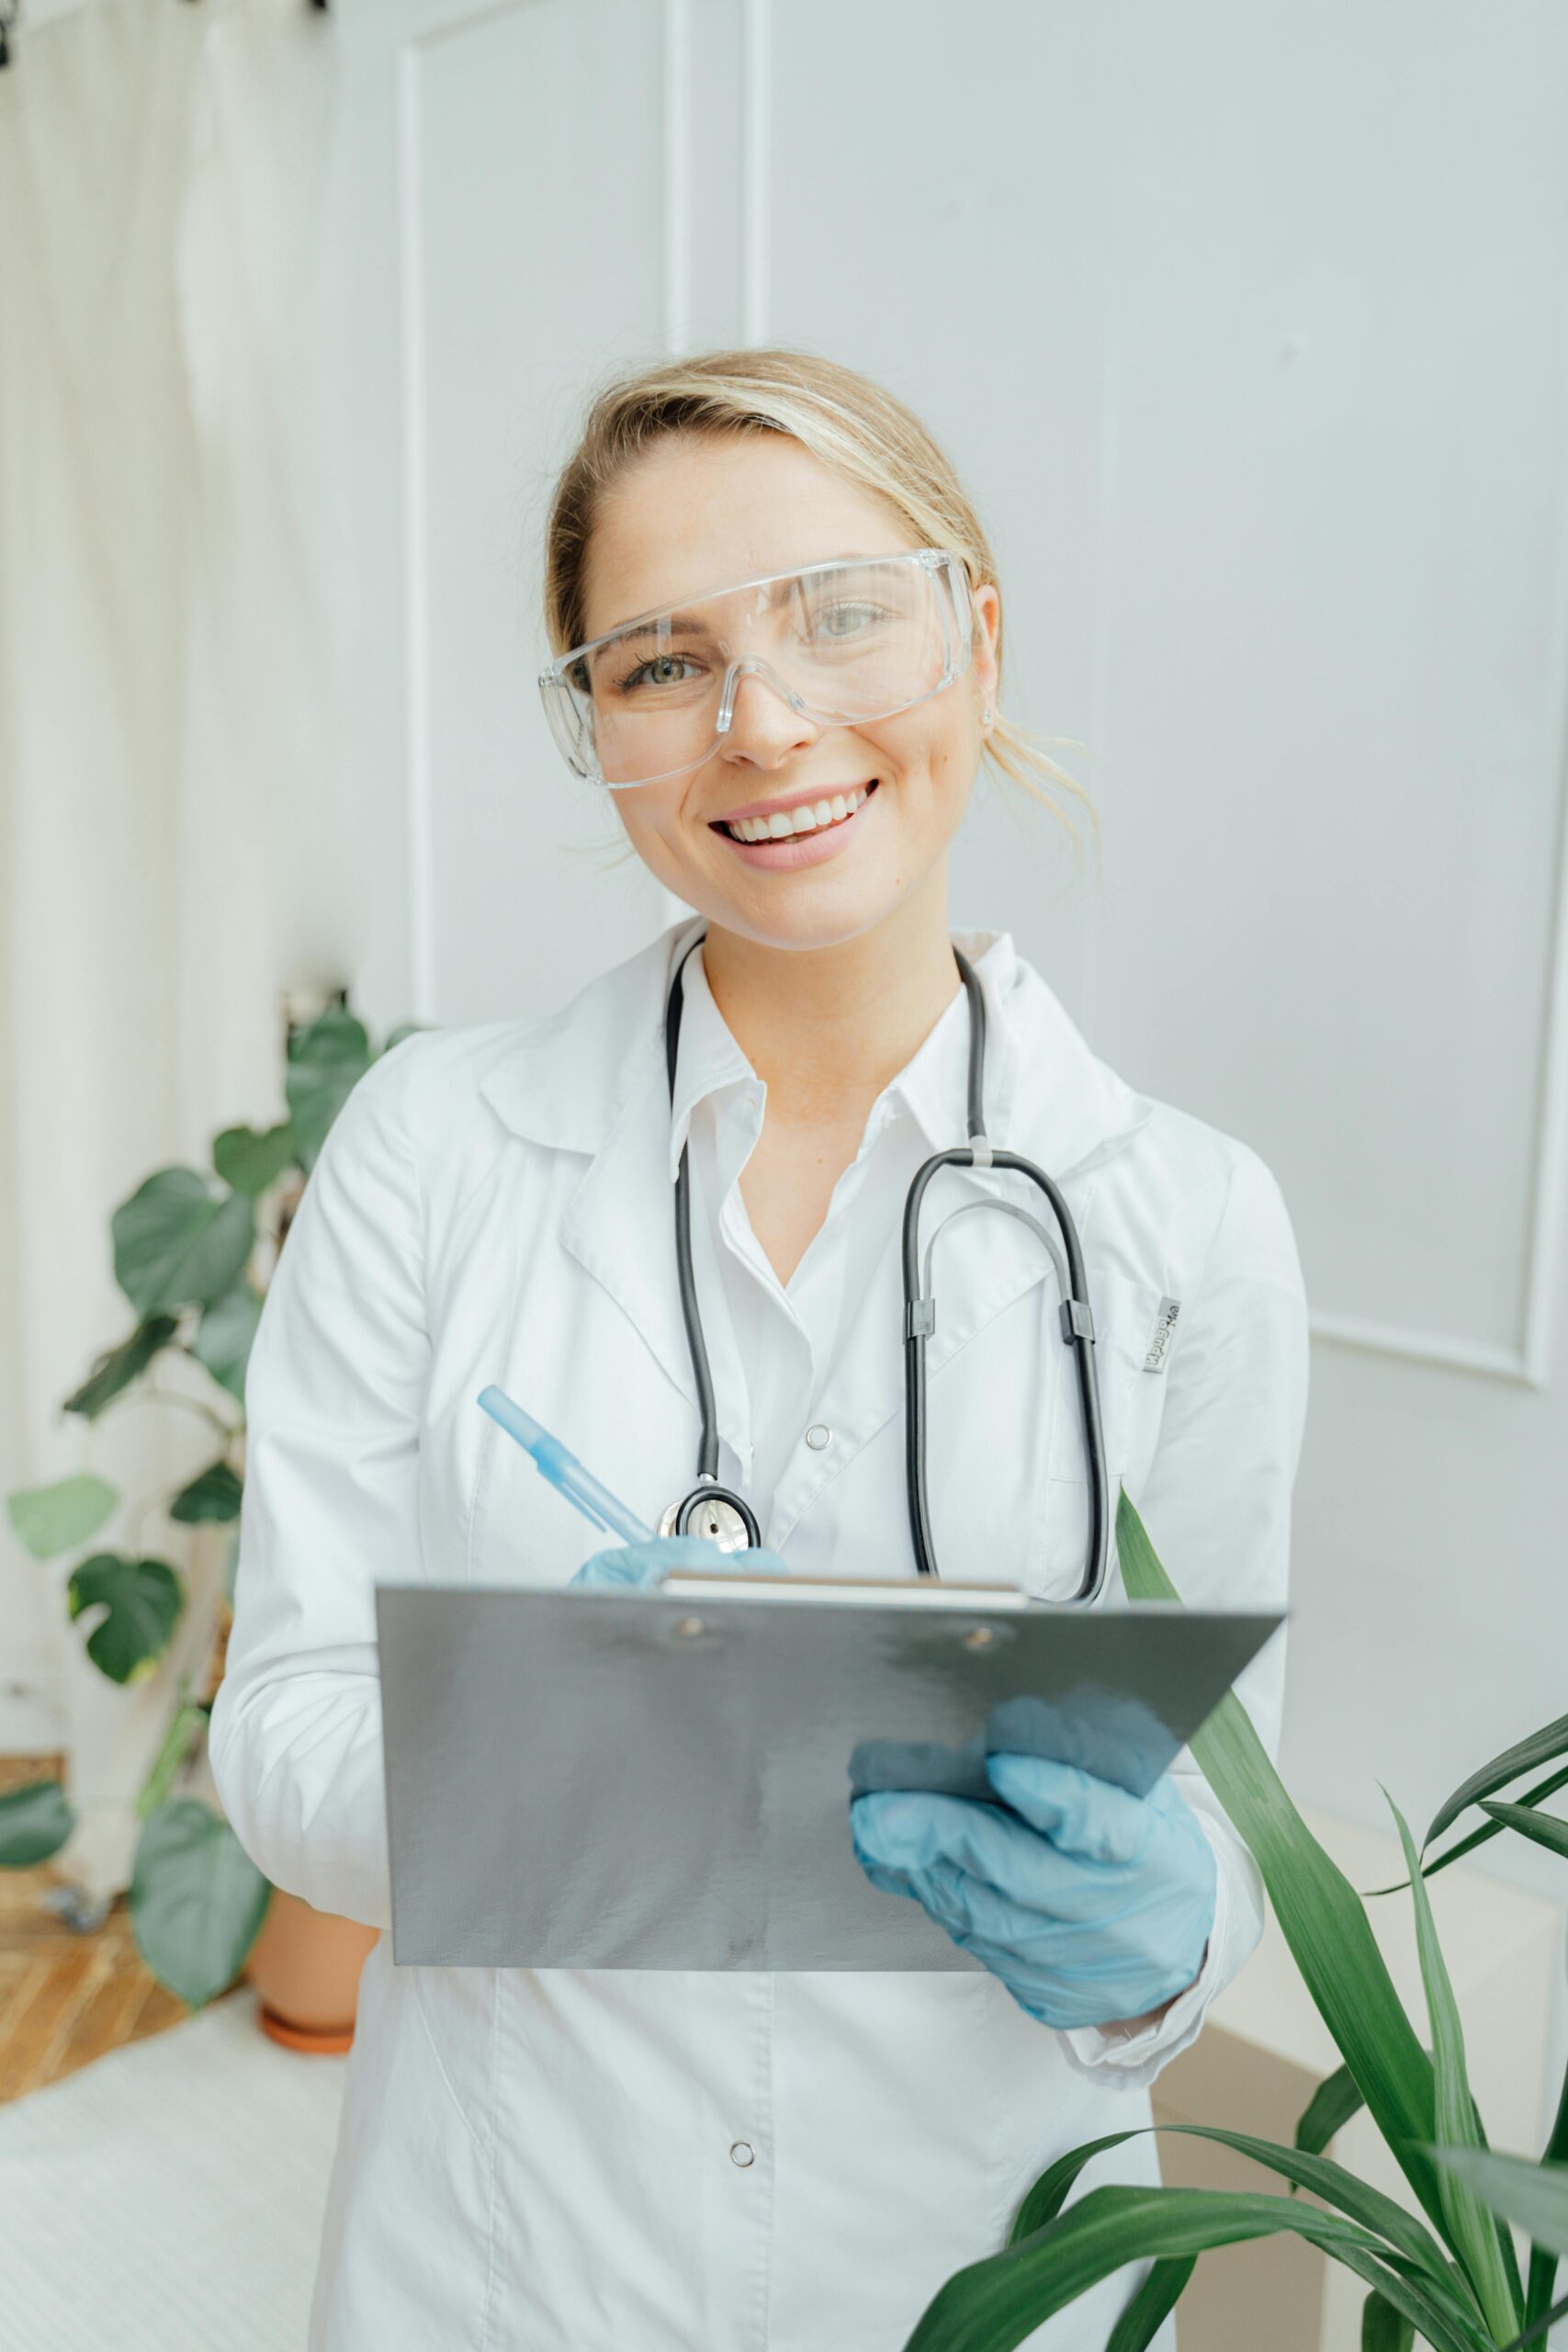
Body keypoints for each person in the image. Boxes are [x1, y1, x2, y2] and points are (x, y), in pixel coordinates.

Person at [209, 346, 1310, 2351]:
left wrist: (1158, 1947)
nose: (765, 720)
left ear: (974, 635)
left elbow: (1210, 1816)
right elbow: (280, 1730)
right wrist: (574, 1749)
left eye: (841, 612)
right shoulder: (437, 1143)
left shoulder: (1187, 1223)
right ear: (596, 723)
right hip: (511, 2254)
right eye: (657, 659)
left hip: (968, 2264)